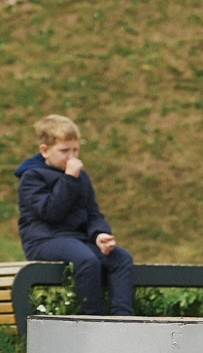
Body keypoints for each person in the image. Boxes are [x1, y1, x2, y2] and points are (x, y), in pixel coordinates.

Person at [17, 114, 135, 316]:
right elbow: (51, 212)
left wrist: (100, 234)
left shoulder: (82, 177)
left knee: (121, 258)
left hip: (77, 239)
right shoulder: (32, 177)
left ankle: (122, 319)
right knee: (87, 260)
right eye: (64, 151)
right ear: (45, 151)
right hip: (44, 239)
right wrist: (69, 179)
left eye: (76, 150)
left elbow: (92, 212)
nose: (72, 157)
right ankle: (93, 320)